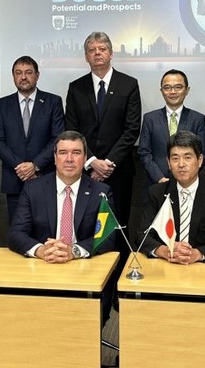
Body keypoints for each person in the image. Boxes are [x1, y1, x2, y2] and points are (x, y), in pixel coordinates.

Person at [65, 32, 141, 248]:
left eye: (102, 49)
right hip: (85, 171)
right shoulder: (76, 87)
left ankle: (120, 268)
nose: (97, 53)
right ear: (86, 57)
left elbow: (132, 129)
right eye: (92, 50)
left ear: (111, 53)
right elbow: (72, 131)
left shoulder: (128, 84)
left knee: (119, 226)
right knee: (86, 226)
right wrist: (91, 162)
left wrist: (107, 163)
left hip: (119, 171)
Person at [8, 130, 115, 261]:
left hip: (82, 263)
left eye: (76, 153)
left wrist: (73, 251)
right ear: (55, 158)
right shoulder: (33, 189)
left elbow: (107, 237)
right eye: (63, 153)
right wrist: (41, 250)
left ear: (85, 158)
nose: (69, 159)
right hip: (43, 263)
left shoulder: (101, 192)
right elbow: (16, 234)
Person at [140, 131, 205, 264]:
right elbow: (142, 235)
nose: (181, 164)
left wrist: (197, 254)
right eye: (175, 158)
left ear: (200, 160)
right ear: (168, 163)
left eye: (187, 157)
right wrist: (164, 251)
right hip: (167, 265)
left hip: (204, 267)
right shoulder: (157, 193)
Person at [0, 56, 64, 224]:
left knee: (46, 227)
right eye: (18, 73)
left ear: (37, 75)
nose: (23, 77)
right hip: (14, 178)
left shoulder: (53, 102)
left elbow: (58, 138)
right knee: (17, 229)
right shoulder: (2, 105)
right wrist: (21, 167)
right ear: (13, 76)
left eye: (28, 72)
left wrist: (35, 165)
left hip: (45, 177)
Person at [137, 69, 205, 190]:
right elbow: (144, 153)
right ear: (161, 91)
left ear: (187, 90)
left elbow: (202, 154)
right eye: (167, 87)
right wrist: (159, 178)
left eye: (178, 87)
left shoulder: (198, 119)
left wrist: (185, 178)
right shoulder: (150, 118)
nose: (173, 92)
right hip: (156, 184)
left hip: (188, 185)